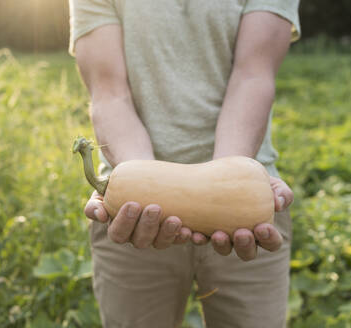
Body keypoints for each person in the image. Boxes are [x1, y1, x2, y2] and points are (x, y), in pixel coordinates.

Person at [69, 1, 300, 327]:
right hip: (128, 218)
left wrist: (226, 188)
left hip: (247, 208)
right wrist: (142, 188)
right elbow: (109, 91)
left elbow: (253, 75)